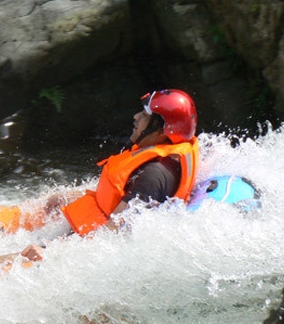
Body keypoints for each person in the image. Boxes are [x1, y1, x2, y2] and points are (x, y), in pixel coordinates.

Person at [19, 88, 199, 262]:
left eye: (145, 116)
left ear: (162, 131)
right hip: (99, 220)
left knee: (24, 256)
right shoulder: (164, 156)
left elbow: (114, 236)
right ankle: (7, 226)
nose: (136, 117)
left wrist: (51, 252)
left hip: (93, 247)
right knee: (56, 201)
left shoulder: (154, 174)